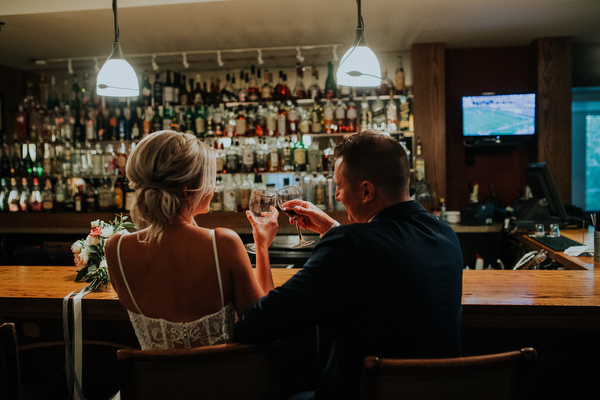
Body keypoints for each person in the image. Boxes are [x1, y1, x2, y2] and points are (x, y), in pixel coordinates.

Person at [234, 131, 463, 400]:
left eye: (339, 186)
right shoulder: (444, 233)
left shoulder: (350, 247)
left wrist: (261, 246)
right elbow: (385, 257)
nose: (337, 195)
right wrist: (333, 229)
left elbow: (259, 323)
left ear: (366, 191)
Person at [105, 130, 275, 350]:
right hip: (225, 383)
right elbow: (264, 325)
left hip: (155, 384)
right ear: (187, 191)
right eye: (210, 180)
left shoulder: (116, 248)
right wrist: (261, 246)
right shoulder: (222, 243)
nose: (213, 188)